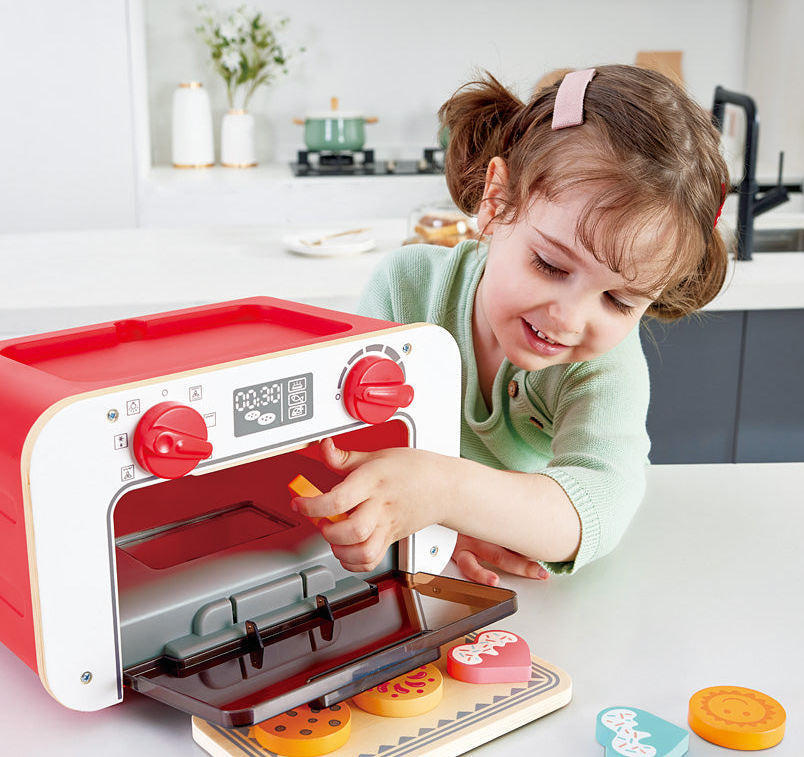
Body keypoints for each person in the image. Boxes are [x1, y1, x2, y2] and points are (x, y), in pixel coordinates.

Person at [292, 65, 730, 586]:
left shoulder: (604, 364)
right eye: (550, 265)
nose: (568, 318)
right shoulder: (403, 288)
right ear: (496, 202)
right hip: (407, 575)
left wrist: (446, 498)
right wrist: (432, 524)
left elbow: (602, 505)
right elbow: (340, 450)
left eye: (618, 300)